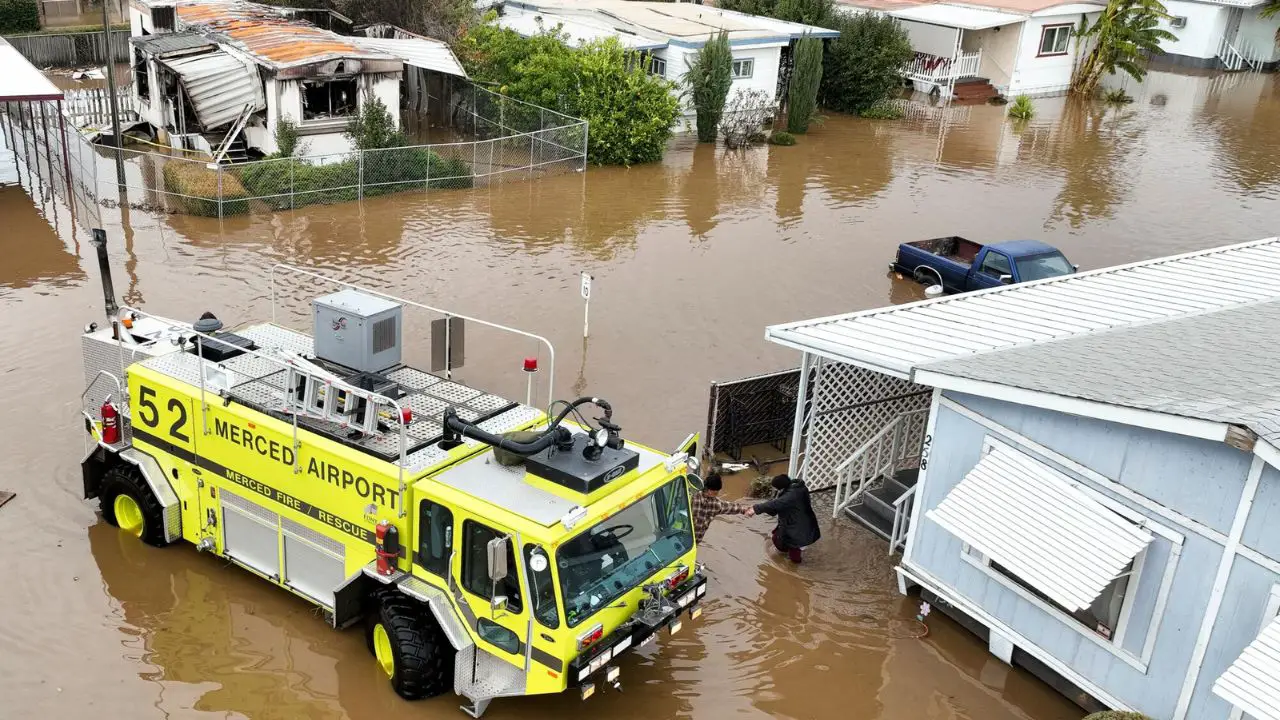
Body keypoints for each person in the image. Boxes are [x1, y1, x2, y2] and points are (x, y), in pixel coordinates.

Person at [749, 474, 820, 563]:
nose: (774, 490)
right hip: (794, 521)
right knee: (776, 538)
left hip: (798, 526)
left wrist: (755, 509)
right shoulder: (795, 488)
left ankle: (795, 569)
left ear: (780, 487)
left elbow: (776, 503)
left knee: (794, 553)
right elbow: (775, 504)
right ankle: (788, 552)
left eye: (775, 487)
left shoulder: (791, 495)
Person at [691, 473, 750, 544]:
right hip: (683, 536)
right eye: (716, 492)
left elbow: (729, 507)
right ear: (709, 490)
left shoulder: (715, 504)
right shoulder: (693, 497)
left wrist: (744, 510)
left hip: (695, 543)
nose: (717, 494)